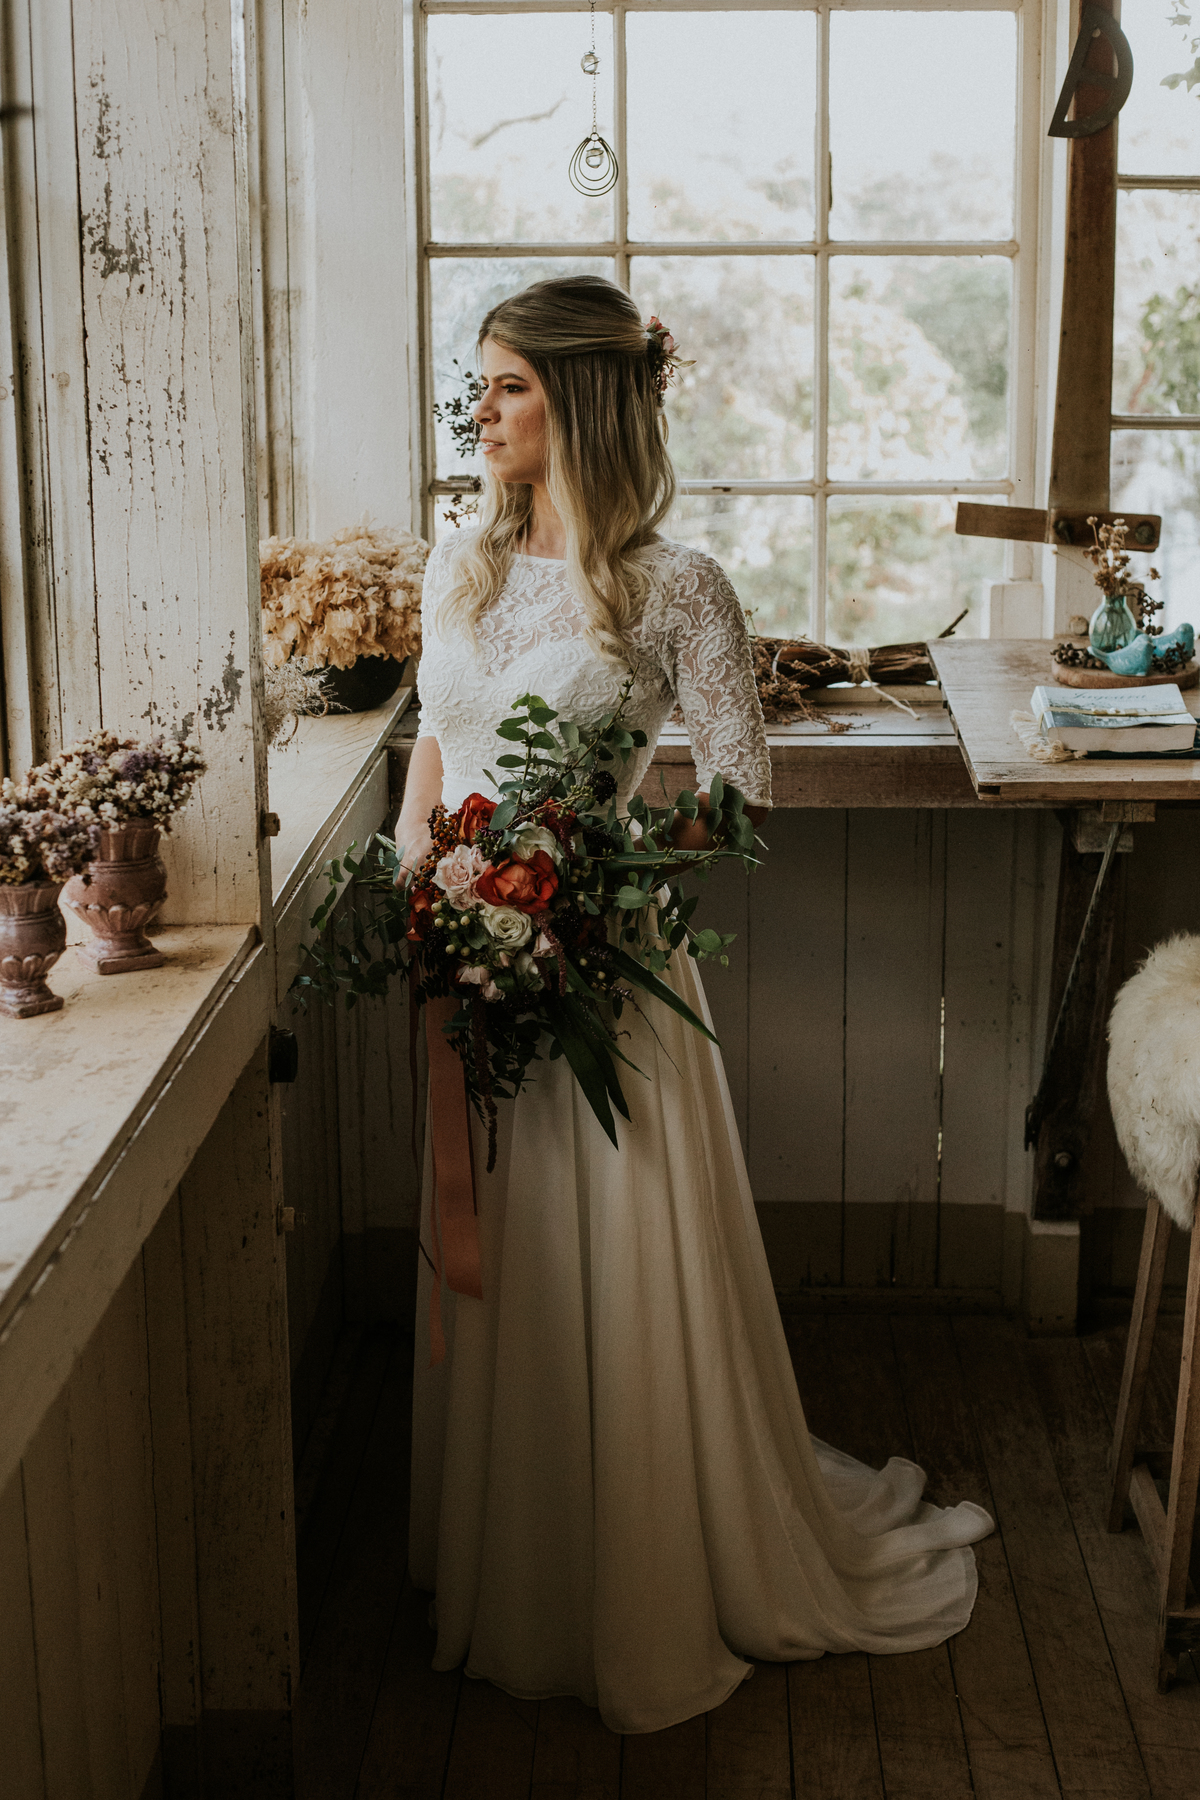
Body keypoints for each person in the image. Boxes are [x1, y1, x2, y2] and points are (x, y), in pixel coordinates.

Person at [400, 275, 992, 1736]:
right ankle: (515, 1565)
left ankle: (643, 1576)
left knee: (610, 1266)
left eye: (508, 387)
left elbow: (737, 796)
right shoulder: (455, 560)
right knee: (510, 1270)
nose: (480, 412)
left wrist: (573, 881)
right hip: (468, 960)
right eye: (476, 387)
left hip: (603, 968)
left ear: (586, 399)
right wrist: (430, 879)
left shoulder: (678, 587)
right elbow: (435, 734)